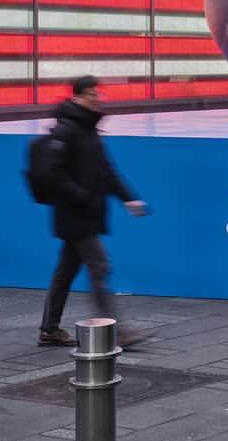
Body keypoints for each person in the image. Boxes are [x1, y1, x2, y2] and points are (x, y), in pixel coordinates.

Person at [35, 77, 148, 348]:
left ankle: (49, 330)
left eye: (98, 94)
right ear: (76, 98)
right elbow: (54, 172)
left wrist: (128, 198)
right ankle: (116, 332)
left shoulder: (89, 131)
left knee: (65, 271)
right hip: (75, 214)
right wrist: (81, 196)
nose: (97, 99)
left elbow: (106, 172)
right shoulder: (68, 130)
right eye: (91, 94)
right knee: (99, 265)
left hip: (86, 212)